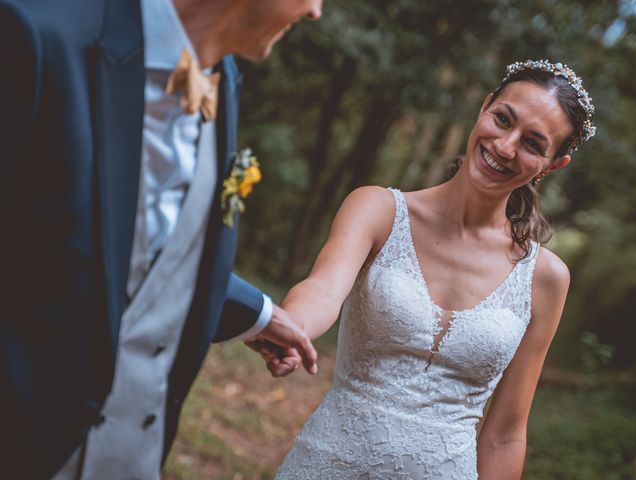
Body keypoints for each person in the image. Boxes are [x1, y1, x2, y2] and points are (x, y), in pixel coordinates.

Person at [0, 0, 323, 478]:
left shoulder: (223, 77)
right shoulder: (33, 36)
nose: (315, 11)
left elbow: (128, 243)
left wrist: (253, 313)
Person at [271, 60, 596, 479]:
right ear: (484, 108)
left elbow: (505, 434)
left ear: (553, 165)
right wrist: (289, 326)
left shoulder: (546, 278)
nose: (505, 146)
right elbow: (323, 289)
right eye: (502, 119)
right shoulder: (378, 209)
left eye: (533, 144)